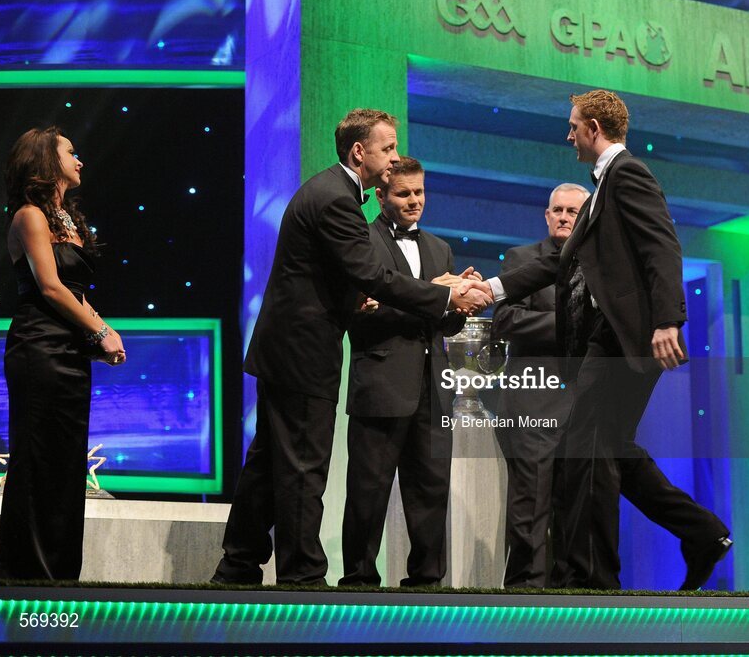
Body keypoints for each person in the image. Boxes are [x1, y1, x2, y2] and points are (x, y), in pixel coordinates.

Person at [212, 110, 490, 586]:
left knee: (268, 464)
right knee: (303, 467)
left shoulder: (334, 194)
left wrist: (410, 288)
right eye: (388, 148)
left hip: (288, 350)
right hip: (302, 353)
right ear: (359, 152)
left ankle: (237, 564)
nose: (395, 157)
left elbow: (347, 280)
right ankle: (302, 576)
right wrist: (444, 293)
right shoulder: (337, 200)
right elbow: (372, 276)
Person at [469, 90, 731, 590]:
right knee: (603, 449)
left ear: (592, 128)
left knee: (585, 450)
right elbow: (558, 263)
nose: (568, 136)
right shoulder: (604, 187)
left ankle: (592, 581)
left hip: (621, 342)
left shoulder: (627, 174)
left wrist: (666, 321)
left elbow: (662, 246)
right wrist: (493, 289)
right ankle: (701, 532)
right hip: (606, 343)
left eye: (572, 127)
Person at [0, 127, 126, 580]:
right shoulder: (29, 216)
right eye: (71, 152)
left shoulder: (66, 219)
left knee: (66, 466)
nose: (80, 160)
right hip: (39, 349)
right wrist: (100, 329)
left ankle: (61, 578)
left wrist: (99, 335)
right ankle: (28, 580)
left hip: (70, 352)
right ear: (47, 162)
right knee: (37, 463)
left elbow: (74, 289)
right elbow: (49, 288)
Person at [339, 156, 468, 587]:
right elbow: (356, 316)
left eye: (420, 192)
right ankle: (358, 580)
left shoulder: (439, 248)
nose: (415, 201)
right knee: (367, 491)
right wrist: (435, 294)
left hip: (434, 387)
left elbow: (447, 323)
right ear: (381, 195)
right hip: (381, 381)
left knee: (431, 489)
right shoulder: (362, 243)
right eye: (404, 193)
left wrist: (461, 300)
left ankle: (428, 581)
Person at [491, 183, 586, 588]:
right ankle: (522, 598)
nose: (564, 217)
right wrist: (575, 326)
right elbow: (505, 321)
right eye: (557, 210)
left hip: (586, 407)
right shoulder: (522, 259)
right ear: (547, 216)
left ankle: (571, 603)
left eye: (572, 212)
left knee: (576, 510)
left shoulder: (602, 265)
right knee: (530, 509)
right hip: (532, 403)